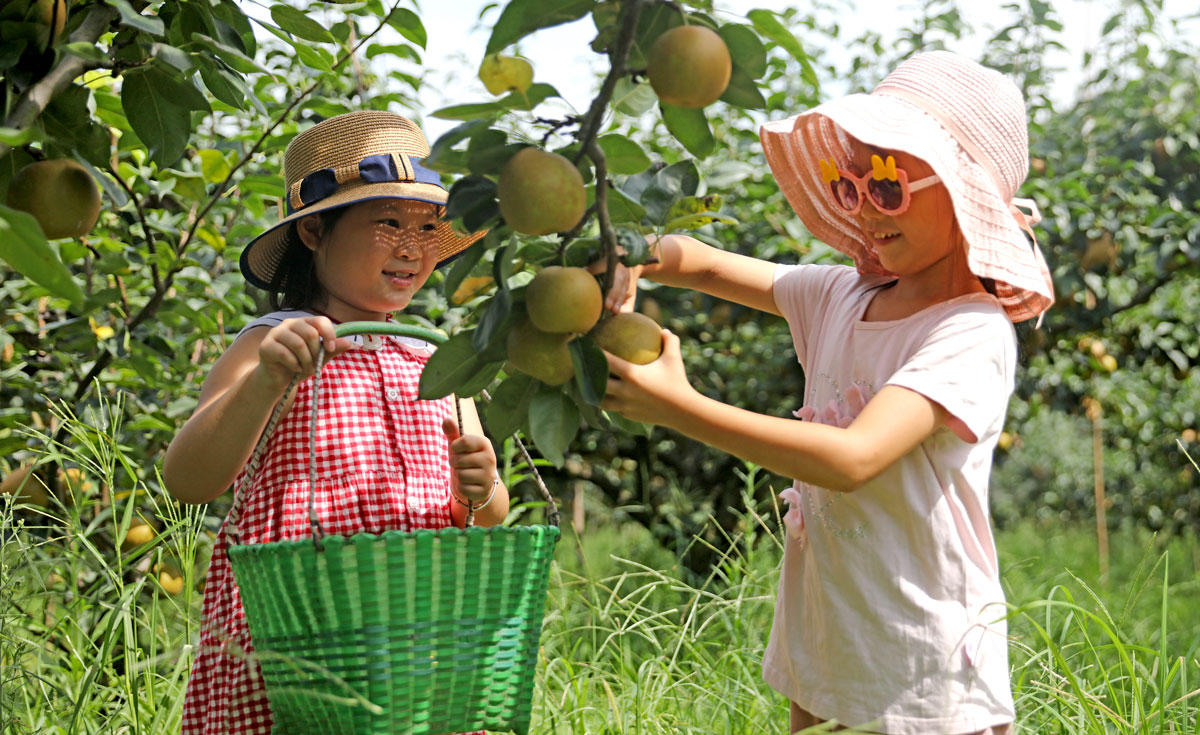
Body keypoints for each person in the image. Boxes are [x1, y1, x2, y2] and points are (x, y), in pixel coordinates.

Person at [597, 51, 1054, 734]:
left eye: (889, 186)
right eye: (850, 186)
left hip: (929, 683)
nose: (867, 210)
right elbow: (710, 264)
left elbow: (853, 457)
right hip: (829, 657)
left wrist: (677, 406)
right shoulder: (842, 295)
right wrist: (626, 246)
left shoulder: (970, 331)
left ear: (965, 193)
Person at [163, 110, 508, 735]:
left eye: (428, 227)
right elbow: (188, 478)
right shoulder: (271, 345)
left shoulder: (438, 358)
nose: (411, 247)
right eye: (386, 223)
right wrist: (267, 381)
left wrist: (478, 484)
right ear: (316, 231)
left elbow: (487, 511)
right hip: (297, 625)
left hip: (417, 628)